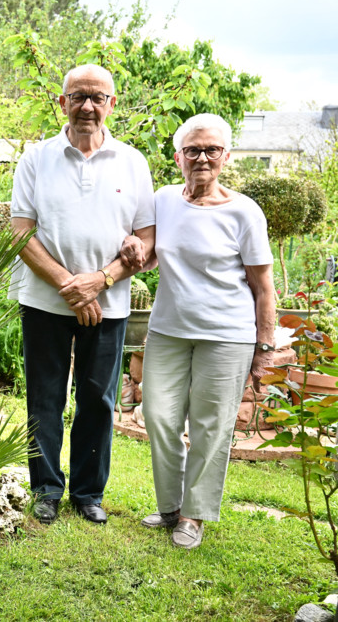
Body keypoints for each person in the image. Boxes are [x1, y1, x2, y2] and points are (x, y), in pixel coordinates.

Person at [10, 64, 156, 525]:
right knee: (45, 396)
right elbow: (20, 233)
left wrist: (102, 280)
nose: (88, 106)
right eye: (79, 96)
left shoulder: (132, 162)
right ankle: (47, 489)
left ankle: (88, 493)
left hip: (109, 304)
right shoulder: (37, 158)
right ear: (63, 103)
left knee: (98, 399)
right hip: (44, 301)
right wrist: (70, 286)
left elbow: (146, 240)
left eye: (98, 97)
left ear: (112, 104)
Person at [125, 113, 275, 549]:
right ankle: (170, 505)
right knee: (159, 416)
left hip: (227, 335)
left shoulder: (244, 211)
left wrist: (264, 346)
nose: (202, 158)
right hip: (169, 330)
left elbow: (263, 286)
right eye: (193, 150)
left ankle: (194, 515)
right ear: (178, 158)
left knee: (211, 425)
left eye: (211, 150)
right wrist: (133, 247)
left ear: (226, 156)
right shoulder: (164, 200)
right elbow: (151, 254)